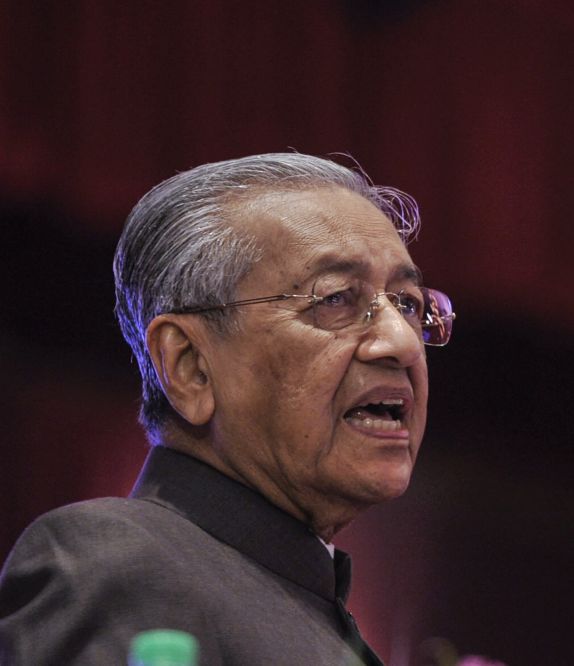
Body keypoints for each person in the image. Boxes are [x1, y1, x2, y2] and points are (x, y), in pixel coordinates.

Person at [0, 153, 455, 665]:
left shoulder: (311, 607)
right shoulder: (121, 562)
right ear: (190, 365)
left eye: (409, 303)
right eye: (335, 299)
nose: (403, 342)